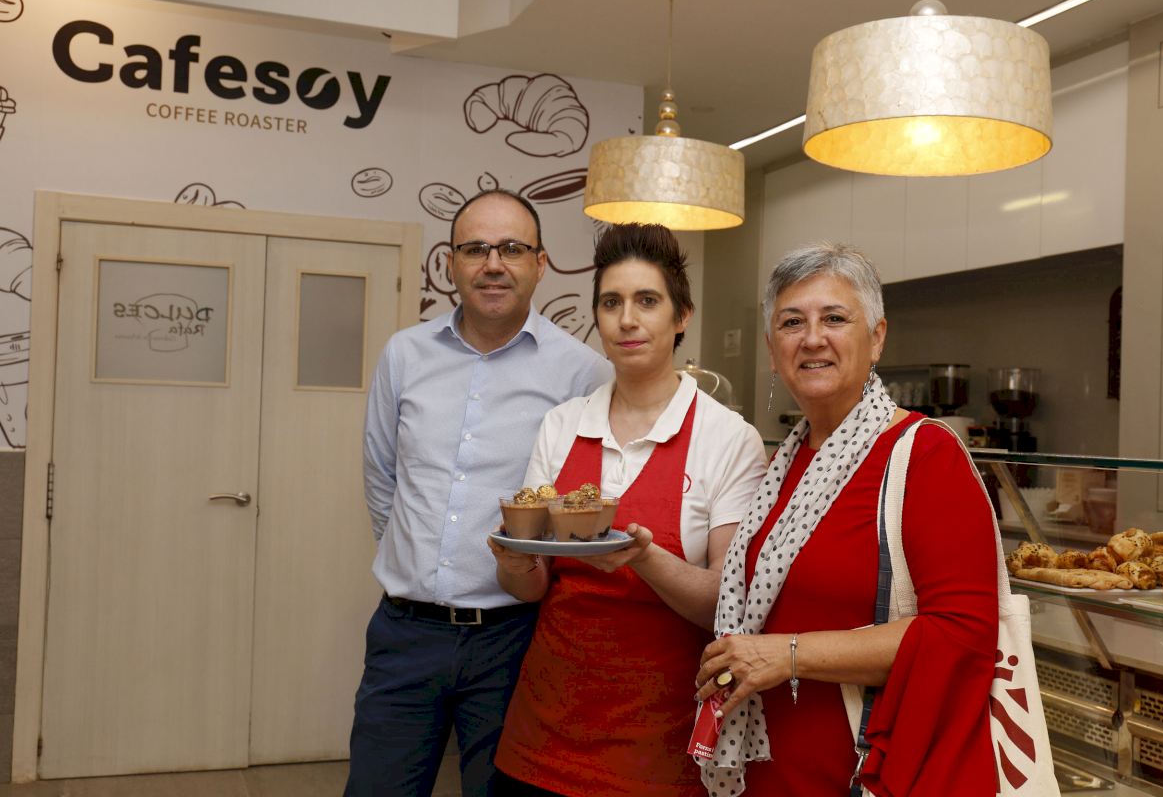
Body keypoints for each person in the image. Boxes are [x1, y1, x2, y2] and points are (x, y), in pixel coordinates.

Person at [693, 242, 999, 796]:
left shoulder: (926, 455)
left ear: (876, 337)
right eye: (792, 322)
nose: (812, 338)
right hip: (772, 777)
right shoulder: (786, 463)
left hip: (871, 776)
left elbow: (964, 635)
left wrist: (787, 654)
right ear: (772, 349)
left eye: (834, 318)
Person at [346, 189, 612, 797]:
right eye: (475, 249)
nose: (493, 264)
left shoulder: (581, 373)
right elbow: (382, 478)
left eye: (512, 249)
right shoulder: (404, 355)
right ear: (451, 264)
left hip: (513, 642)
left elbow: (585, 505)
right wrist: (416, 565)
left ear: (540, 264)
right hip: (405, 635)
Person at [488, 223, 767, 797]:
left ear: (681, 316)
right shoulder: (562, 425)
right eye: (611, 303)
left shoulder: (727, 438)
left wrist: (644, 557)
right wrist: (513, 560)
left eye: (647, 301)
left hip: (659, 742)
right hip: (544, 728)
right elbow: (532, 587)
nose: (626, 320)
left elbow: (726, 603)